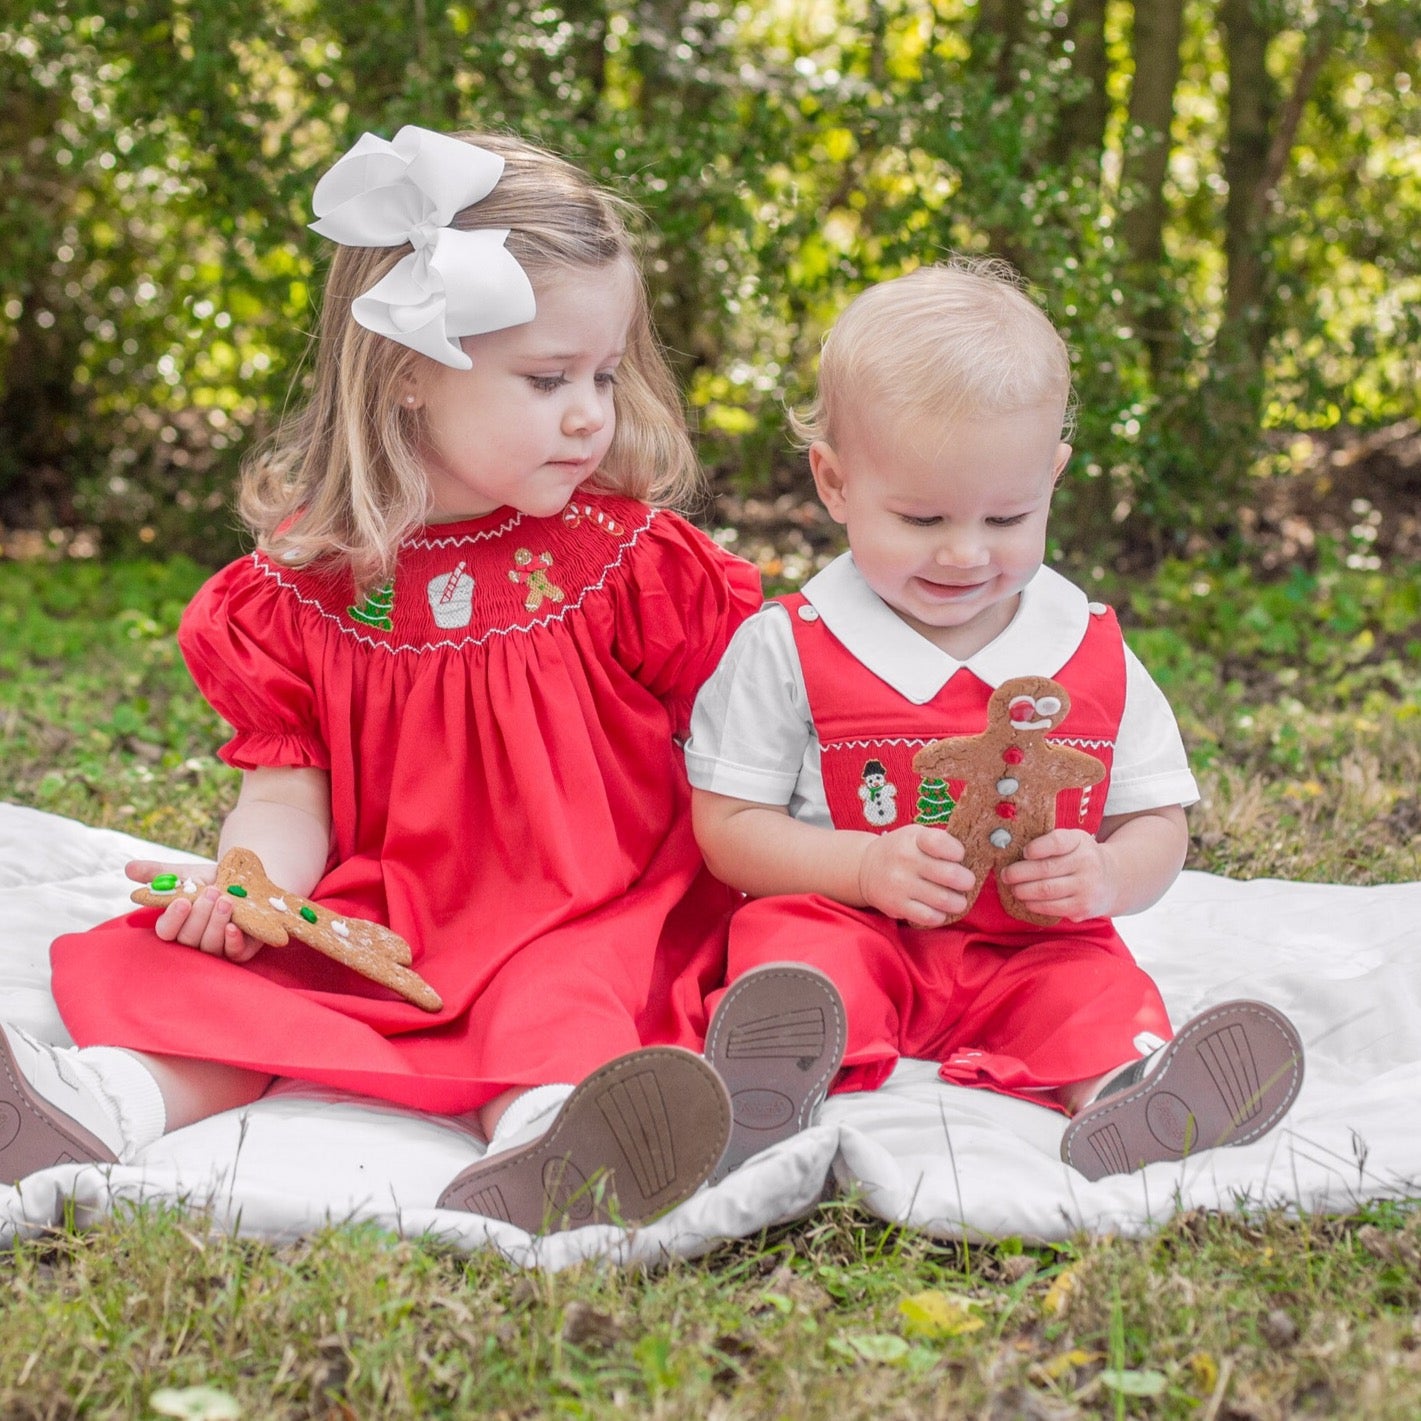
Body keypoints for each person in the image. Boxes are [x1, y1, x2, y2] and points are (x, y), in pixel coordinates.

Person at [1, 125, 844, 1234]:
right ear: (406, 369)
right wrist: (252, 882)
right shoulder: (308, 585)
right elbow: (287, 782)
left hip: (590, 903)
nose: (592, 411)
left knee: (570, 1001)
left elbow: (755, 735)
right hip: (391, 912)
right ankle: (94, 1103)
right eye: (547, 379)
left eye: (603, 373)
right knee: (215, 982)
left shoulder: (622, 561)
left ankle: (564, 1137)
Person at [685, 259, 1304, 1181]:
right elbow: (725, 830)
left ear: (1052, 478)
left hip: (1026, 944)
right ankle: (764, 1087)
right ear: (834, 482)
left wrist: (1104, 873)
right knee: (798, 960)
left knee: (1090, 988)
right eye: (921, 515)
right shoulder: (792, 645)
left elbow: (1158, 823)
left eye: (1008, 514)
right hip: (852, 919)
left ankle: (1131, 1095)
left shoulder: (1085, 647)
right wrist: (858, 864)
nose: (966, 552)